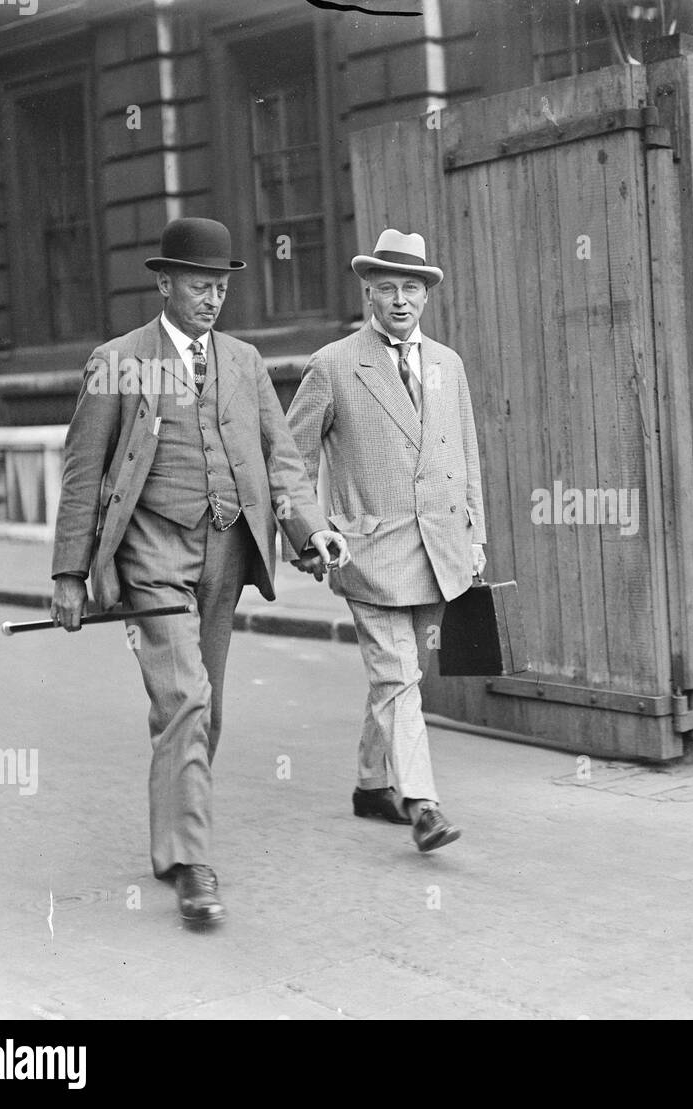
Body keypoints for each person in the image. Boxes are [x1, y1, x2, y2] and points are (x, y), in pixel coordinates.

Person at [49, 217, 349, 925]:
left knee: (203, 706)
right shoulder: (120, 359)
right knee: (184, 696)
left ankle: (170, 838)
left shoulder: (245, 364)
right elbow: (82, 470)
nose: (212, 297)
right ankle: (192, 861)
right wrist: (68, 573)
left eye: (220, 286)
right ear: (164, 282)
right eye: (198, 284)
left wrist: (313, 531)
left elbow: (284, 461)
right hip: (152, 553)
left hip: (227, 554)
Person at [284, 229, 485, 852]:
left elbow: (467, 454)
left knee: (400, 675)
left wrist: (474, 534)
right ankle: (422, 802)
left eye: (412, 289)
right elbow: (287, 459)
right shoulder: (334, 364)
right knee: (398, 674)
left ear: (426, 296)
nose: (400, 300)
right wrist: (311, 533)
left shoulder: (447, 365)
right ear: (368, 292)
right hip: (366, 549)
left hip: (441, 550)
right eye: (387, 288)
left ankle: (372, 784)